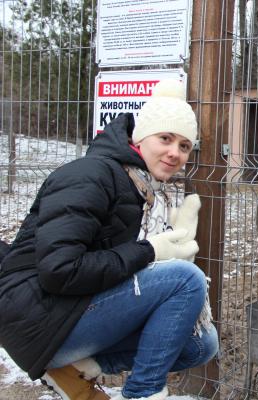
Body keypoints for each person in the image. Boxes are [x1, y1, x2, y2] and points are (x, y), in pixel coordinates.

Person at [0, 79, 219, 400]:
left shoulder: (142, 188)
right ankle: (143, 393)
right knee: (187, 281)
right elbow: (60, 270)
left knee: (201, 344)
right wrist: (148, 252)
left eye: (184, 146)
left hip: (68, 308)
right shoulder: (91, 175)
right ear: (141, 137)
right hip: (35, 317)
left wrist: (161, 254)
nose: (175, 152)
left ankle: (80, 368)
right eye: (165, 138)